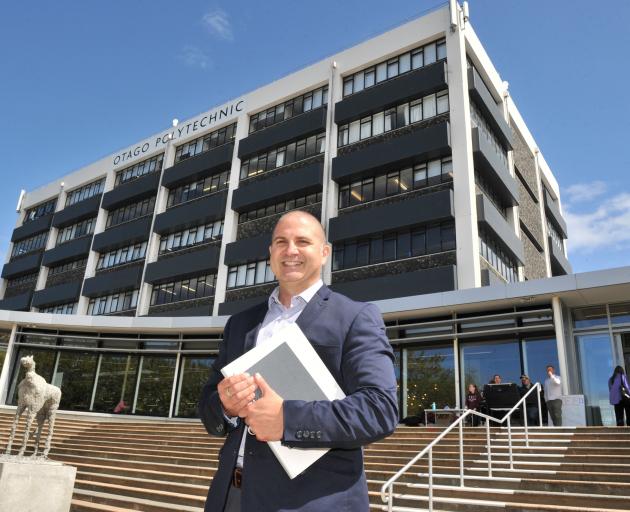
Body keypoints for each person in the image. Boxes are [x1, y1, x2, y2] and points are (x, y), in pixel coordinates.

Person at [198, 211, 399, 512]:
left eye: (302, 241)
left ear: (324, 252)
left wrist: (288, 419)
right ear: (270, 254)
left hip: (311, 501)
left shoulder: (355, 317)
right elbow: (207, 407)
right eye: (281, 241)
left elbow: (379, 409)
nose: (290, 250)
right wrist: (224, 405)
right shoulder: (240, 324)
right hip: (230, 496)